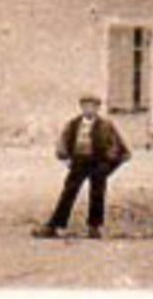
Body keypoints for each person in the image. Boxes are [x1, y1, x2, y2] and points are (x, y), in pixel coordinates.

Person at [32, 91, 130, 240]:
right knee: (68, 192)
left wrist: (107, 164)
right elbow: (63, 143)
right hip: (78, 162)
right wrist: (65, 158)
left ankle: (94, 227)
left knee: (97, 194)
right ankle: (55, 225)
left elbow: (118, 147)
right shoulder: (73, 124)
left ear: (98, 108)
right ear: (81, 107)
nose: (89, 109)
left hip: (97, 162)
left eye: (93, 106)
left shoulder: (106, 125)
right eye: (85, 106)